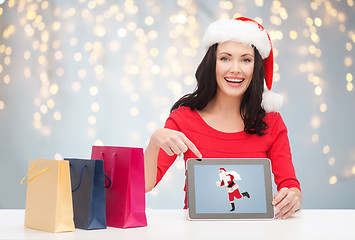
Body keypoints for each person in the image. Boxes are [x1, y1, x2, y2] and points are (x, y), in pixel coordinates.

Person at [144, 17, 302, 219]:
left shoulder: (272, 122)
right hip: (197, 234)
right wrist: (155, 140)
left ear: (256, 68)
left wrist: (292, 198)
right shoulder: (183, 119)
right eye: (225, 58)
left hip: (255, 232)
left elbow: (290, 185)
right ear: (212, 63)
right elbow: (145, 185)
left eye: (246, 59)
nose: (235, 69)